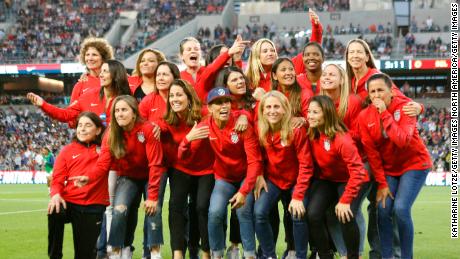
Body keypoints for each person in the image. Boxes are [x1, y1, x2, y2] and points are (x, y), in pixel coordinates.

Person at [70, 95, 164, 259]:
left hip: (151, 175)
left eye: (124, 110)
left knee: (153, 210)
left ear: (134, 113)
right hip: (128, 176)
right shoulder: (111, 134)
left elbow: (155, 164)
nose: (120, 114)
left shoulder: (147, 129)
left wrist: (153, 196)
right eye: (117, 111)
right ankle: (117, 253)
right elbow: (102, 165)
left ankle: (155, 254)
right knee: (119, 211)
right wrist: (88, 177)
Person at [178, 87, 263, 259]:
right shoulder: (205, 126)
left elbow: (254, 162)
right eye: (217, 103)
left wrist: (244, 191)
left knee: (243, 211)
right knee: (215, 212)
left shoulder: (242, 124)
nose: (223, 106)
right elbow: (183, 157)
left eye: (226, 102)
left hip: (245, 176)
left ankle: (249, 254)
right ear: (209, 108)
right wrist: (187, 139)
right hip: (223, 178)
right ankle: (216, 254)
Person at [358, 73, 432, 259]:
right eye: (372, 91)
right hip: (390, 169)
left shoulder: (406, 108)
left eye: (380, 90)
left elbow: (402, 141)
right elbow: (373, 155)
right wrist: (382, 184)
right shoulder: (364, 117)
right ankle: (387, 256)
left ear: (391, 92)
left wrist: (384, 113)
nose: (376, 95)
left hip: (415, 164)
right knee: (382, 210)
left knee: (400, 208)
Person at [156, 79, 215, 259]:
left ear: (189, 98)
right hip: (180, 168)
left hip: (206, 169)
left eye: (179, 95)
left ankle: (205, 252)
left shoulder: (204, 114)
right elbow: (153, 126)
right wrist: (154, 129)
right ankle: (178, 253)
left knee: (201, 207)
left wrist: (187, 140)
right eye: (171, 96)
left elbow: (192, 148)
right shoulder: (168, 119)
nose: (174, 99)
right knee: (175, 207)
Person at [306, 95, 369, 259]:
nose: (310, 116)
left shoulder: (342, 139)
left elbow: (358, 171)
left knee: (345, 215)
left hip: (349, 179)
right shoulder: (312, 133)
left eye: (315, 112)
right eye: (309, 111)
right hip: (327, 179)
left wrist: (345, 200)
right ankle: (325, 255)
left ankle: (353, 256)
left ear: (326, 114)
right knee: (313, 214)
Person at [254, 91, 313, 259]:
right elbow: (256, 157)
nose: (272, 111)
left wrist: (299, 195)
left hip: (296, 181)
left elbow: (306, 165)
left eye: (277, 107)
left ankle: (300, 256)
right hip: (274, 180)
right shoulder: (261, 129)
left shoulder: (296, 130)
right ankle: (269, 255)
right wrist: (258, 175)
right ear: (262, 111)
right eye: (268, 107)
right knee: (259, 213)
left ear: (285, 109)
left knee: (297, 214)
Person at [48, 112, 106, 259]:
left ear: (98, 130)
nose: (82, 129)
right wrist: (55, 194)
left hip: (93, 206)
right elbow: (58, 178)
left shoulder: (105, 151)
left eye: (88, 125)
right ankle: (55, 255)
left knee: (84, 255)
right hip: (70, 204)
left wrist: (103, 151)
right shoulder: (67, 150)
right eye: (80, 125)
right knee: (55, 209)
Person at [27, 60, 132, 127]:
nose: (101, 75)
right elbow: (66, 114)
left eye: (106, 72)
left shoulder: (127, 99)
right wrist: (43, 104)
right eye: (101, 71)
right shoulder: (88, 96)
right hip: (94, 153)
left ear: (116, 75)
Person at [246, 9, 322, 101]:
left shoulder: (288, 68)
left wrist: (316, 28)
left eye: (272, 50)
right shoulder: (247, 80)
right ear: (256, 56)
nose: (270, 53)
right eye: (265, 51)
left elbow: (311, 52)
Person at [71, 37, 114, 103]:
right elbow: (72, 111)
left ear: (103, 58)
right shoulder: (80, 85)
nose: (90, 58)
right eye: (87, 55)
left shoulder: (114, 80)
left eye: (94, 55)